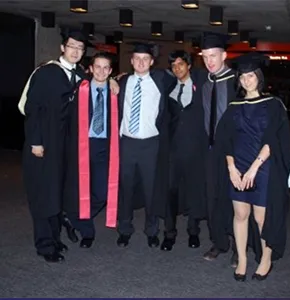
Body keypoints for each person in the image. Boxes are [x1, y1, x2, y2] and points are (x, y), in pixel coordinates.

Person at [213, 52, 290, 281]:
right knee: (240, 213)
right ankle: (243, 259)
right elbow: (224, 139)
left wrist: (254, 168)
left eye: (251, 75)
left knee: (260, 218)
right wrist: (231, 168)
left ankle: (266, 259)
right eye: (243, 76)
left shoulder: (273, 105)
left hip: (263, 166)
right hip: (238, 166)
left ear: (259, 77)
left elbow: (274, 140)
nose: (247, 80)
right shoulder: (234, 105)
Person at [22, 30, 87, 263]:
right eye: (72, 46)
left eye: (80, 48)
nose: (76, 51)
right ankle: (45, 245)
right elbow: (32, 108)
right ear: (62, 48)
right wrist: (36, 141)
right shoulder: (47, 72)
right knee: (42, 195)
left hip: (65, 148)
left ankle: (55, 237)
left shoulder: (80, 75)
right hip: (43, 145)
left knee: (56, 195)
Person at [117, 43, 175, 248]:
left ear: (152, 62)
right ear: (131, 61)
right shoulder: (122, 82)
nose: (141, 62)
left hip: (151, 144)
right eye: (137, 58)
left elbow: (183, 76)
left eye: (145, 59)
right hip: (127, 143)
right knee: (125, 189)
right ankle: (124, 229)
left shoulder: (162, 80)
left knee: (152, 190)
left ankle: (152, 230)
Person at [64, 52, 120, 248]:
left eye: (106, 68)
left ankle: (73, 218)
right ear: (90, 69)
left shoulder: (116, 93)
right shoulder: (79, 90)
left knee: (103, 193)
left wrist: (114, 81)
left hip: (105, 147)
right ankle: (87, 231)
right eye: (98, 67)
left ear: (111, 71)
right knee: (80, 190)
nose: (102, 71)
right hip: (81, 146)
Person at [198, 32, 238, 266]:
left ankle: (237, 244)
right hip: (211, 151)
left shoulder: (237, 81)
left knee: (234, 199)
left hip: (234, 151)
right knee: (212, 198)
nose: (209, 61)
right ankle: (219, 241)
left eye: (213, 56)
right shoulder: (205, 84)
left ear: (224, 55)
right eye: (205, 57)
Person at [160, 50, 207, 251]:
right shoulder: (168, 87)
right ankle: (169, 233)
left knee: (193, 192)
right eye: (173, 65)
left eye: (181, 64)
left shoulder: (202, 87)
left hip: (196, 150)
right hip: (173, 151)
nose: (177, 68)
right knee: (170, 192)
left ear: (189, 65)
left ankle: (193, 231)